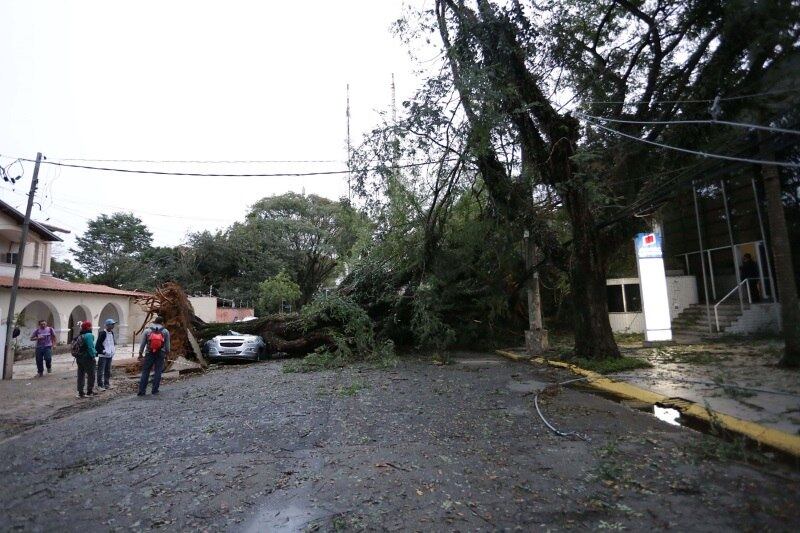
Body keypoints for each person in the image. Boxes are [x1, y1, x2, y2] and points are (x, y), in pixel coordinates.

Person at [138, 316, 170, 396]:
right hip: (160, 353)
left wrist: (140, 353)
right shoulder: (165, 331)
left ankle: (142, 391)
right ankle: (155, 390)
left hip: (149, 353)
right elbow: (167, 345)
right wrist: (167, 354)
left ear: (154, 322)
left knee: (146, 371)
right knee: (158, 371)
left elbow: (143, 344)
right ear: (162, 323)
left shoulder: (147, 330)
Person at [75, 321, 97, 398]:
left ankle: (80, 392)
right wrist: (93, 356)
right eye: (90, 326)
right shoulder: (89, 335)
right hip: (87, 357)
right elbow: (90, 347)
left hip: (79, 357)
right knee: (91, 375)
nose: (91, 327)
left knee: (81, 375)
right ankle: (89, 391)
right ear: (88, 327)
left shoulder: (80, 335)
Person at [95, 319, 117, 391]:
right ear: (108, 325)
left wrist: (113, 350)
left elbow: (111, 343)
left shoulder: (112, 333)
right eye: (112, 324)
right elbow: (98, 345)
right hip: (103, 355)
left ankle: (107, 384)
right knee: (101, 371)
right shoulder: (103, 333)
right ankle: (100, 385)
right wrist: (103, 351)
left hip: (110, 355)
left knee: (108, 370)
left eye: (113, 324)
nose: (113, 325)